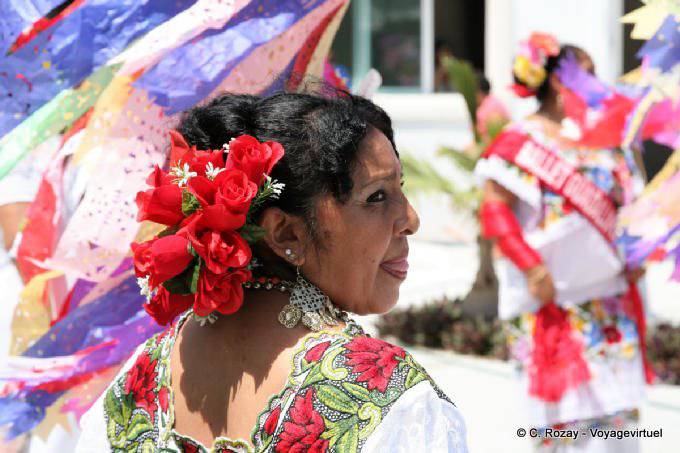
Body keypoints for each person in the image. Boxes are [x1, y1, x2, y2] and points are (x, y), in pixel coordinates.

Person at [76, 91, 469, 452]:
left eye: (401, 188)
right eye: (377, 197)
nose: (410, 220)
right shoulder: (384, 395)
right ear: (286, 233)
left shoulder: (139, 377)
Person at [475, 33, 648, 452]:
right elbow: (494, 211)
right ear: (559, 81)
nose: (598, 83)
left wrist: (639, 250)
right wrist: (531, 267)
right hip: (549, 298)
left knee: (617, 419)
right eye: (588, 73)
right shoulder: (521, 141)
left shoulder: (608, 137)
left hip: (607, 298)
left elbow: (634, 206)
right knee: (560, 424)